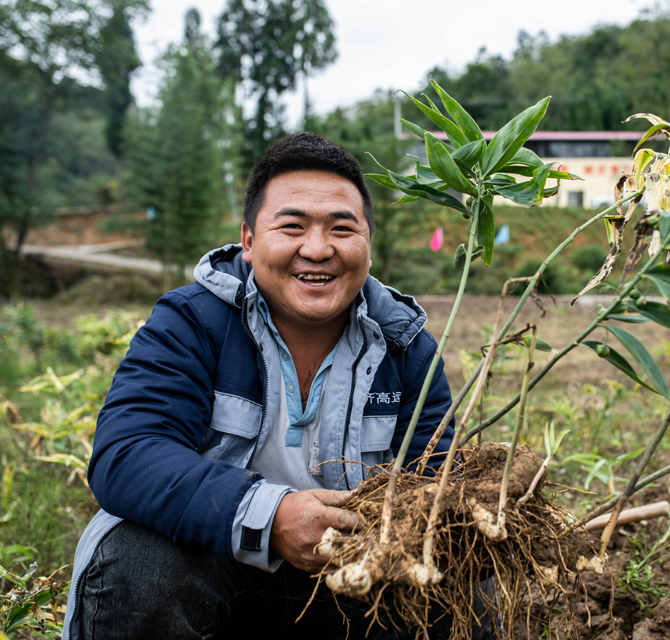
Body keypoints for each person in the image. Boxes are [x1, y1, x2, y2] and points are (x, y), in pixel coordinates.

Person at [63, 133, 458, 639]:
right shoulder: (192, 323)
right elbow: (128, 453)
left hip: (355, 583)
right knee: (138, 561)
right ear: (248, 242)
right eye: (291, 226)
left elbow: (436, 482)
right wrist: (268, 517)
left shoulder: (407, 350)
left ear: (368, 246)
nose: (317, 249)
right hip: (218, 569)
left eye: (342, 228)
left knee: (463, 586)